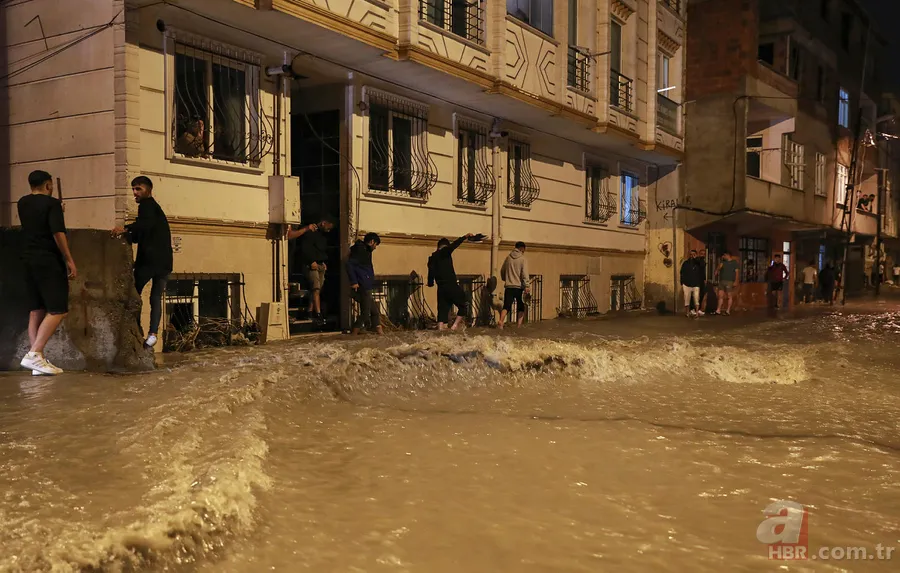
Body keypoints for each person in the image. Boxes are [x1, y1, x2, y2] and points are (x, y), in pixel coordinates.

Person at [17, 170, 77, 375]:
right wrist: (69, 259)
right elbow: (57, 232)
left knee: (36, 309)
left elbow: (36, 221)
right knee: (58, 309)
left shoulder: (22, 202)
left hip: (27, 258)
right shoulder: (52, 205)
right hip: (47, 259)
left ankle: (37, 359)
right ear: (49, 185)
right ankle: (35, 354)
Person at [112, 176, 173, 348]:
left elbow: (143, 226)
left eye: (138, 189)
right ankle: (153, 333)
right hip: (164, 262)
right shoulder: (155, 209)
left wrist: (125, 229)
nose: (135, 193)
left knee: (133, 293)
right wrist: (130, 231)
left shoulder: (147, 206)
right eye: (133, 189)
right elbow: (141, 232)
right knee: (155, 298)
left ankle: (134, 327)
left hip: (149, 261)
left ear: (148, 189)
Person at [288, 217, 334, 324]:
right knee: (316, 289)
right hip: (311, 264)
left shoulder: (323, 237)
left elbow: (322, 249)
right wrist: (311, 260)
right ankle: (318, 313)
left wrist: (323, 262)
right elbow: (305, 248)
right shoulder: (309, 233)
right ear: (323, 223)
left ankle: (310, 310)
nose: (329, 230)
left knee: (318, 289)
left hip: (320, 264)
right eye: (328, 227)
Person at [427, 234, 473, 331]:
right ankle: (454, 326)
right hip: (451, 285)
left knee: (442, 310)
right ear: (445, 246)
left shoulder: (432, 258)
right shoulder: (445, 252)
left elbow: (430, 272)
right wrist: (464, 237)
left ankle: (440, 329)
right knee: (464, 305)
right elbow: (454, 245)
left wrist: (430, 283)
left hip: (441, 288)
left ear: (437, 246)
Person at [346, 232, 382, 335]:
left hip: (367, 283)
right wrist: (354, 282)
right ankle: (354, 332)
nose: (375, 248)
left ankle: (380, 333)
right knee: (365, 313)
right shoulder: (360, 251)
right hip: (363, 284)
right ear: (371, 242)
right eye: (375, 245)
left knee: (374, 312)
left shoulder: (366, 251)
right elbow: (349, 265)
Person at [498, 241, 530, 329]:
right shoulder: (523, 259)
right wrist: (527, 285)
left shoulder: (508, 258)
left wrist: (506, 278)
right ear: (522, 249)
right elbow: (524, 273)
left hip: (508, 286)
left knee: (506, 305)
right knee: (521, 306)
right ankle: (518, 326)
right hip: (519, 287)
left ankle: (501, 321)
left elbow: (502, 271)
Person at [680, 249, 704, 317]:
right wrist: (682, 282)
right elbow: (682, 272)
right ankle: (687, 312)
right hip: (686, 283)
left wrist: (696, 258)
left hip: (696, 284)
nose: (692, 256)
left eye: (693, 254)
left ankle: (696, 313)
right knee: (686, 298)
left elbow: (702, 265)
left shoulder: (699, 263)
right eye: (690, 254)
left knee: (696, 298)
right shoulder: (685, 263)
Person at [715, 251, 740, 316]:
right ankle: (718, 310)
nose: (723, 257)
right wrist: (717, 269)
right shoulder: (723, 262)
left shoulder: (734, 263)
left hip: (729, 281)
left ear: (728, 255)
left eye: (724, 255)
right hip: (722, 281)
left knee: (729, 295)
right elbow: (718, 269)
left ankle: (728, 310)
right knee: (720, 295)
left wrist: (736, 281)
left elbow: (737, 272)